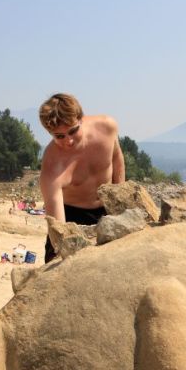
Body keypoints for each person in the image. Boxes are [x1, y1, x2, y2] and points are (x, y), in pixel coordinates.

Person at [38, 93, 125, 262]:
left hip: (107, 211)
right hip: (72, 216)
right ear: (50, 133)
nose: (68, 141)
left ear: (81, 119)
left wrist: (120, 206)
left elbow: (116, 159)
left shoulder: (107, 128)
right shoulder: (51, 168)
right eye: (59, 136)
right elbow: (59, 228)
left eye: (73, 131)